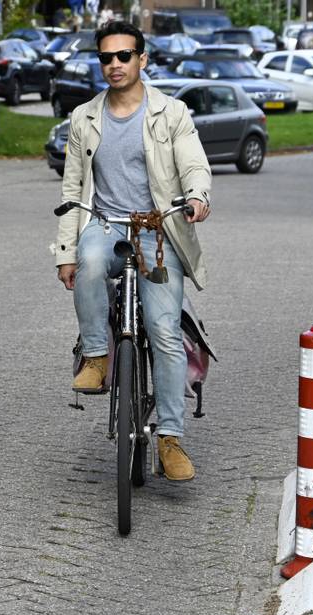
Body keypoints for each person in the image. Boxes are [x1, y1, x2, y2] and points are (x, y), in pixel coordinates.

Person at [53, 21, 212, 481]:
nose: (115, 64)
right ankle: (98, 356)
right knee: (89, 259)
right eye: (106, 57)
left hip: (157, 230)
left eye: (124, 56)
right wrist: (66, 249)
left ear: (142, 59)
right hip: (104, 223)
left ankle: (170, 439)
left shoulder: (171, 112)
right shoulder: (84, 118)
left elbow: (194, 163)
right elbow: (73, 187)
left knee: (163, 331)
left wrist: (198, 196)